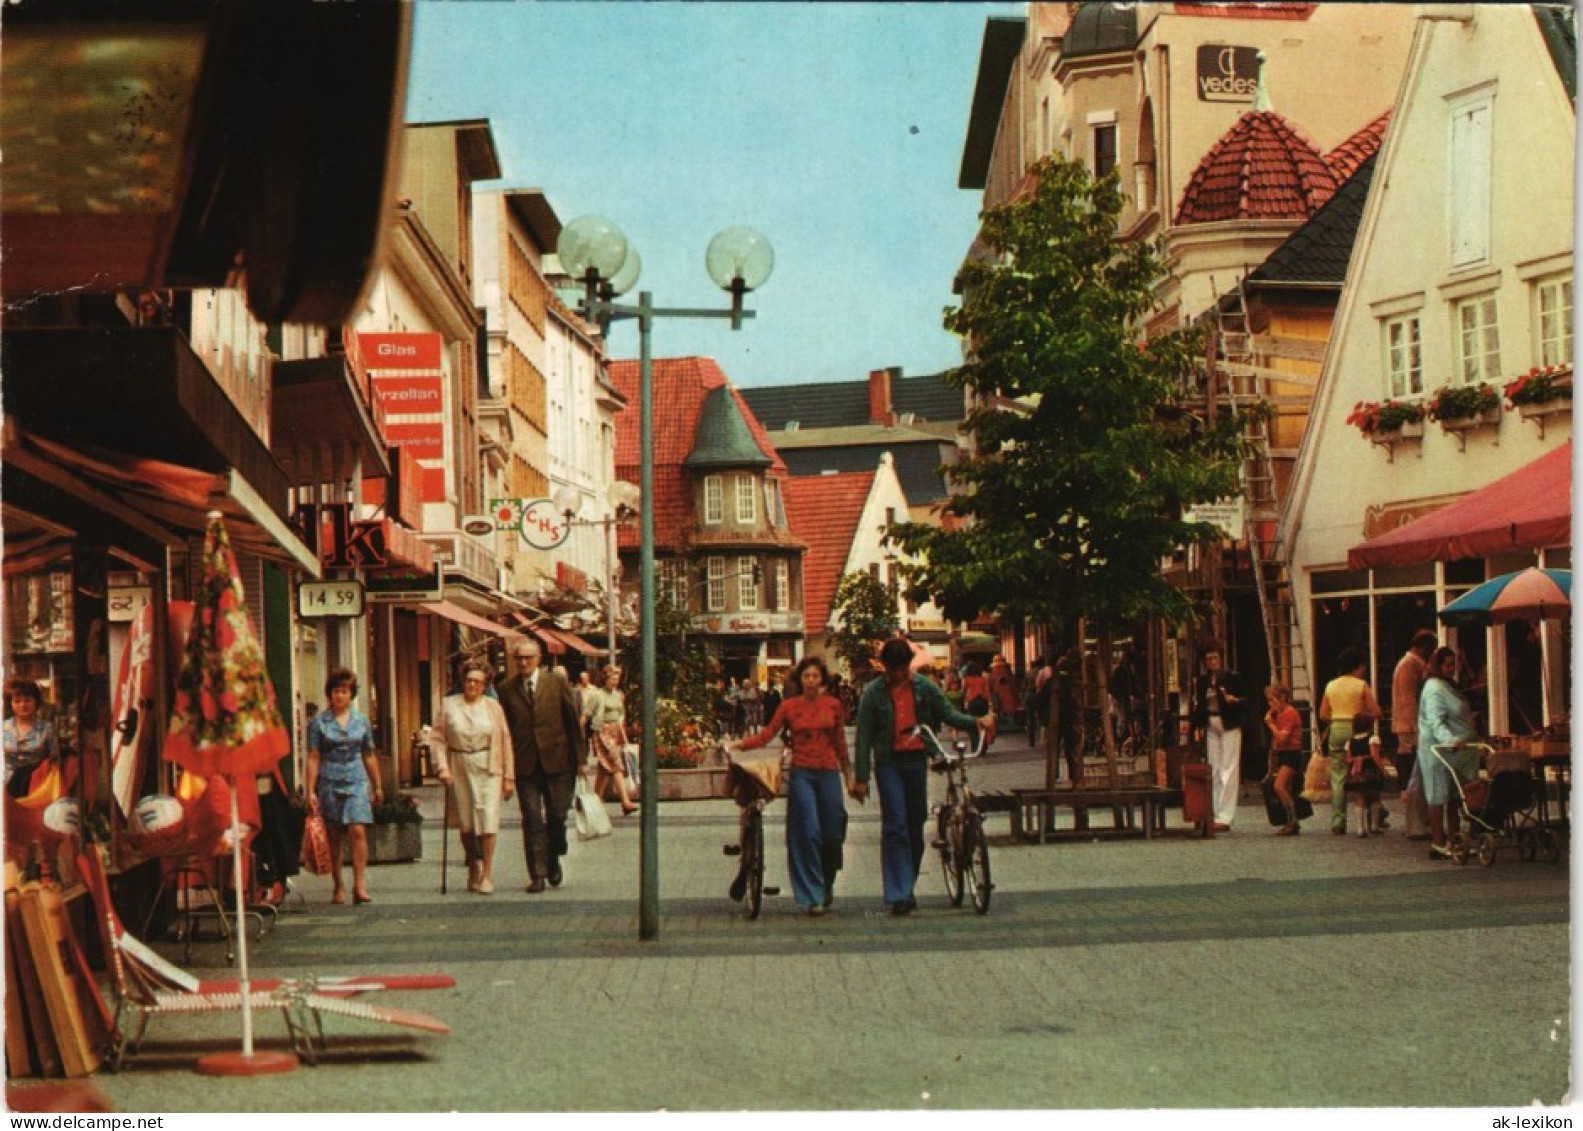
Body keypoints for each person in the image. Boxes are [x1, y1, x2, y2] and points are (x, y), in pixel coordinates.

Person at [854, 638, 994, 916]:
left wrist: (974, 722)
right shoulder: (873, 693)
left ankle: (908, 884)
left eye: (902, 667)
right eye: (893, 669)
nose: (898, 674)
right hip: (889, 762)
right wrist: (860, 776)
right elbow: (863, 736)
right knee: (896, 825)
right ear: (885, 667)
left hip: (917, 759)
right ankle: (898, 893)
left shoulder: (923, 686)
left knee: (916, 823)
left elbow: (947, 713)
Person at [728, 656, 852, 915]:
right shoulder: (789, 706)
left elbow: (840, 742)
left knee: (831, 833)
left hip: (829, 772)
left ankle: (827, 880)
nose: (811, 681)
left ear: (822, 680)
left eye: (815, 676)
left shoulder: (833, 705)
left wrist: (849, 774)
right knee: (808, 833)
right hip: (802, 773)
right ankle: (812, 894)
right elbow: (767, 734)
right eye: (806, 676)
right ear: (800, 680)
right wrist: (741, 745)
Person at [500, 639, 586, 893]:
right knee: (532, 819)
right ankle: (537, 874)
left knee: (558, 815)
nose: (524, 663)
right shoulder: (506, 689)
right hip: (525, 763)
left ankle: (553, 855)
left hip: (559, 760)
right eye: (520, 659)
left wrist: (581, 759)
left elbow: (572, 721)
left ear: (539, 659)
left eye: (528, 658)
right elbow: (504, 730)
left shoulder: (556, 682)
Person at [432, 664, 514, 895]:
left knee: (488, 819)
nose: (472, 685)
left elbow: (505, 740)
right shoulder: (449, 705)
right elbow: (437, 738)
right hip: (459, 764)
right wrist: (442, 767)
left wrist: (509, 777)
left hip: (488, 765)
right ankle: (473, 865)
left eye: (477, 682)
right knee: (466, 822)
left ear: (485, 685)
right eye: (469, 680)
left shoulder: (493, 707)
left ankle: (487, 874)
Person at [304, 668, 382, 905]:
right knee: (334, 834)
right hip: (329, 780)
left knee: (358, 830)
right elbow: (313, 756)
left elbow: (368, 753)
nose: (340, 696)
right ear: (330, 694)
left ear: (352, 695)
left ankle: (360, 885)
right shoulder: (318, 723)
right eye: (336, 691)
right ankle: (338, 885)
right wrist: (310, 790)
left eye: (345, 691)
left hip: (356, 779)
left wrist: (377, 785)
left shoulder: (362, 721)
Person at [1418, 646, 1480, 861]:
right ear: (1437, 665)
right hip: (1439, 749)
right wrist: (1450, 740)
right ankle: (1438, 841)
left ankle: (1455, 840)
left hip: (1457, 751)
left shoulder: (1448, 686)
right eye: (1447, 664)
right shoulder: (1434, 688)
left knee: (1455, 796)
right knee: (1438, 793)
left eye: (1454, 664)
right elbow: (1436, 720)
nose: (1452, 669)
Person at [1317, 646, 1382, 836]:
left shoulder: (1331, 685)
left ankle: (1338, 821)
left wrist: (1337, 719)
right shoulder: (1361, 685)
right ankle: (1373, 815)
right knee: (1366, 771)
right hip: (1359, 730)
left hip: (1337, 728)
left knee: (1338, 775)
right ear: (1358, 666)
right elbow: (1376, 711)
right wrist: (1362, 718)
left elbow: (1323, 714)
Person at [1188, 643, 1247, 833]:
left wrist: (1233, 700)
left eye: (1215, 658)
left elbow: (1245, 700)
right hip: (1211, 723)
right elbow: (1199, 705)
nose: (1212, 662)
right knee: (1213, 768)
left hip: (1229, 722)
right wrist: (1195, 726)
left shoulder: (1232, 677)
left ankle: (1225, 816)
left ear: (1220, 659)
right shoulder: (1203, 681)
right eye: (1208, 659)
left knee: (1229, 768)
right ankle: (1211, 811)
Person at [1392, 630, 1438, 834]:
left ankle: (1419, 822)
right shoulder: (1410, 664)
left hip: (1408, 725)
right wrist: (1416, 726)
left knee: (1416, 774)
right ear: (1424, 647)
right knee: (1418, 774)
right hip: (1411, 726)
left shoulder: (1408, 663)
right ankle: (1418, 823)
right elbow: (1408, 698)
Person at [582, 663, 638, 816]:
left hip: (615, 731)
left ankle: (595, 801)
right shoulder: (597, 695)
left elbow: (622, 713)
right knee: (615, 764)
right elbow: (586, 715)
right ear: (605, 679)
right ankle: (625, 802)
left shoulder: (618, 694)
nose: (615, 682)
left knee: (604, 768)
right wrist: (578, 734)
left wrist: (623, 733)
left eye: (617, 679)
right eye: (612, 679)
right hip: (602, 731)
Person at [1263, 682, 1306, 836]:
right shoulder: (1278, 714)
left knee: (1279, 786)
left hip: (1292, 753)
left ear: (1282, 698)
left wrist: (1270, 724)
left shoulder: (1290, 713)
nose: (1270, 704)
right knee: (1286, 788)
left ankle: (1293, 820)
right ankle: (1290, 821)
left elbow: (1282, 737)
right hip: (1282, 753)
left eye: (1272, 700)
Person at [4, 678, 58, 792]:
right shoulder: (3, 728)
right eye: (17, 701)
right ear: (10, 704)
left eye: (28, 700)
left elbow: (54, 760)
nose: (23, 705)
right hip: (5, 785)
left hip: (37, 785)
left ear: (36, 701)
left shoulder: (48, 729)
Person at [1342, 717, 1387, 838]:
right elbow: (1375, 755)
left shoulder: (1350, 741)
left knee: (1359, 796)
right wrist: (1383, 769)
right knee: (1375, 796)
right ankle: (1374, 825)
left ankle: (1360, 828)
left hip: (1356, 771)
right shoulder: (1372, 738)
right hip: (1370, 769)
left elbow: (1348, 759)